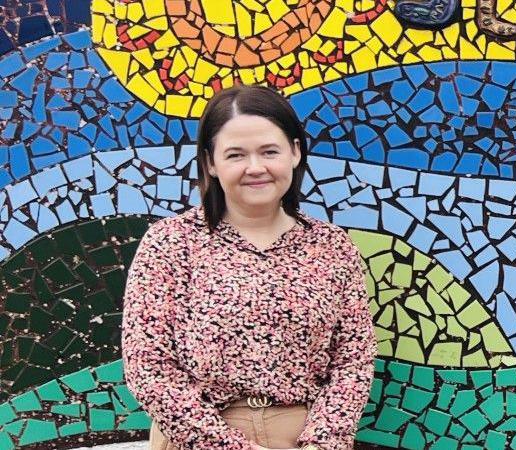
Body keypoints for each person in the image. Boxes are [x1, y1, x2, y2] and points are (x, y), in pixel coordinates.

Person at [121, 85, 378, 450]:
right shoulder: (172, 243)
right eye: (236, 155)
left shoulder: (332, 246)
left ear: (294, 152)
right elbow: (149, 367)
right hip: (199, 438)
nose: (255, 168)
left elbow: (354, 356)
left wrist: (324, 442)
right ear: (211, 162)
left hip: (302, 436)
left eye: (269, 151)